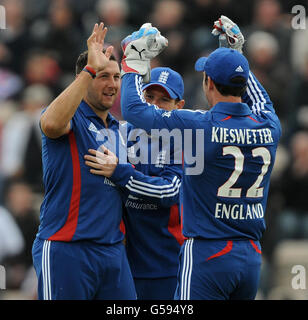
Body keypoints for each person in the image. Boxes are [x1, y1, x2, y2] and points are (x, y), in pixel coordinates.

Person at [119, 17, 281, 300]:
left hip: (209, 253)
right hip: (252, 255)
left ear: (208, 83)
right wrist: (237, 56)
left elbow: (134, 110)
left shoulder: (199, 125)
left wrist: (132, 60)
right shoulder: (269, 124)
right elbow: (255, 96)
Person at [32, 23, 136, 300]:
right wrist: (90, 68)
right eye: (103, 76)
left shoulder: (120, 129)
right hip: (67, 248)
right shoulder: (71, 118)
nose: (112, 84)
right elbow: (52, 124)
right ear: (84, 77)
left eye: (116, 77)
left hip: (113, 251)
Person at [84, 67, 185, 299]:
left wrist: (120, 173)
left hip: (167, 265)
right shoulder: (119, 133)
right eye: (149, 97)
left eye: (164, 100)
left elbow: (169, 191)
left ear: (178, 106)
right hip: (119, 261)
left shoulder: (186, 140)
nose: (154, 106)